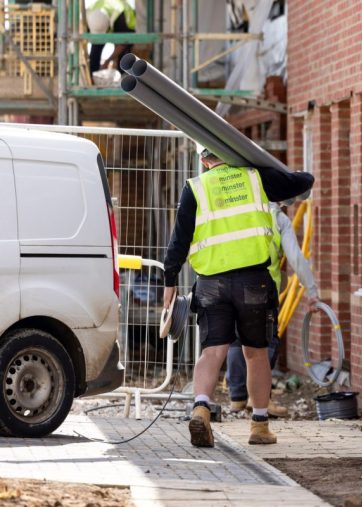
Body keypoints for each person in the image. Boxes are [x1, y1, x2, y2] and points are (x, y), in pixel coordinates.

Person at [163, 148, 313, 448]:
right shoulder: (257, 177)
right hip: (253, 282)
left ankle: (202, 408)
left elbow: (179, 240)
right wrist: (260, 162)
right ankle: (259, 426)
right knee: (255, 352)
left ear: (204, 160)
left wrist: (169, 283)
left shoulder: (196, 188)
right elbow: (302, 181)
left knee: (212, 351)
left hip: (211, 284)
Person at [227, 194, 321, 417]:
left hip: (232, 284)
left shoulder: (242, 210)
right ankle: (260, 399)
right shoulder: (278, 218)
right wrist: (312, 291)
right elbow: (296, 258)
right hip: (261, 288)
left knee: (236, 339)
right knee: (265, 342)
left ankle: (237, 398)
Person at [86, 0, 136, 77]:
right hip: (107, 18)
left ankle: (122, 78)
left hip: (126, 25)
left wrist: (107, 61)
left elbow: (123, 44)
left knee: (123, 58)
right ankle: (93, 77)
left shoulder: (120, 17)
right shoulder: (89, 14)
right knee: (95, 49)